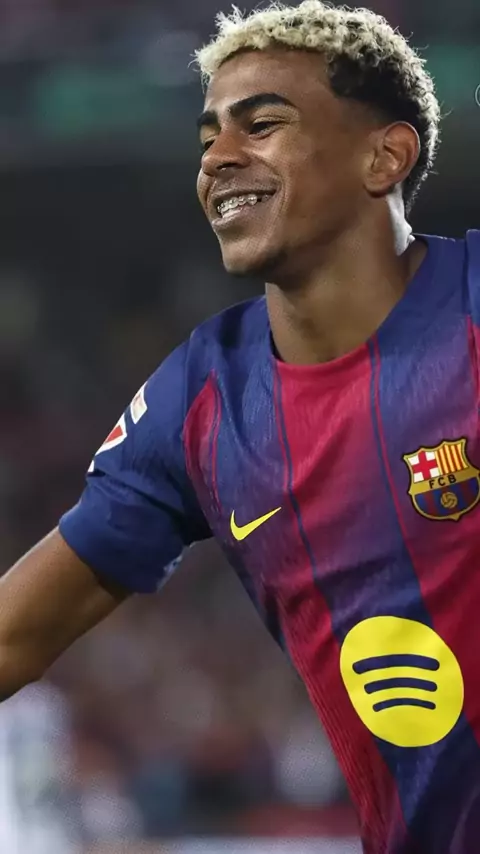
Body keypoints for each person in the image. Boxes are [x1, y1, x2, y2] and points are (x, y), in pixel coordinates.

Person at [0, 0, 479, 851]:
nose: (219, 157)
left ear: (385, 156)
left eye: (262, 124)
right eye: (208, 137)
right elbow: (13, 637)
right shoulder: (202, 400)